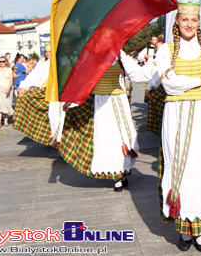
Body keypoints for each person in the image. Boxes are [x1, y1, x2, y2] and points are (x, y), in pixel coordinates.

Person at [155, 1, 201, 253]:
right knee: (182, 169)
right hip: (177, 115)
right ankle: (185, 230)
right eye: (185, 20)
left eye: (194, 20)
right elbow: (170, 84)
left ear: (199, 23)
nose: (189, 25)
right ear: (177, 21)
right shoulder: (166, 50)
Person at [59, 48, 147, 192]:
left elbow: (136, 74)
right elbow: (83, 81)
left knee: (124, 137)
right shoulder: (91, 55)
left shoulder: (119, 54)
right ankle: (117, 176)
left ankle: (122, 172)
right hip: (100, 102)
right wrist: (72, 99)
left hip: (117, 100)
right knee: (107, 135)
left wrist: (153, 66)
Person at [0, 56, 14, 128]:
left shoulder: (9, 70)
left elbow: (11, 81)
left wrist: (8, 88)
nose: (2, 63)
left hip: (6, 89)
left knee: (6, 104)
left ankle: (6, 121)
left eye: (3, 61)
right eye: (0, 61)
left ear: (6, 62)